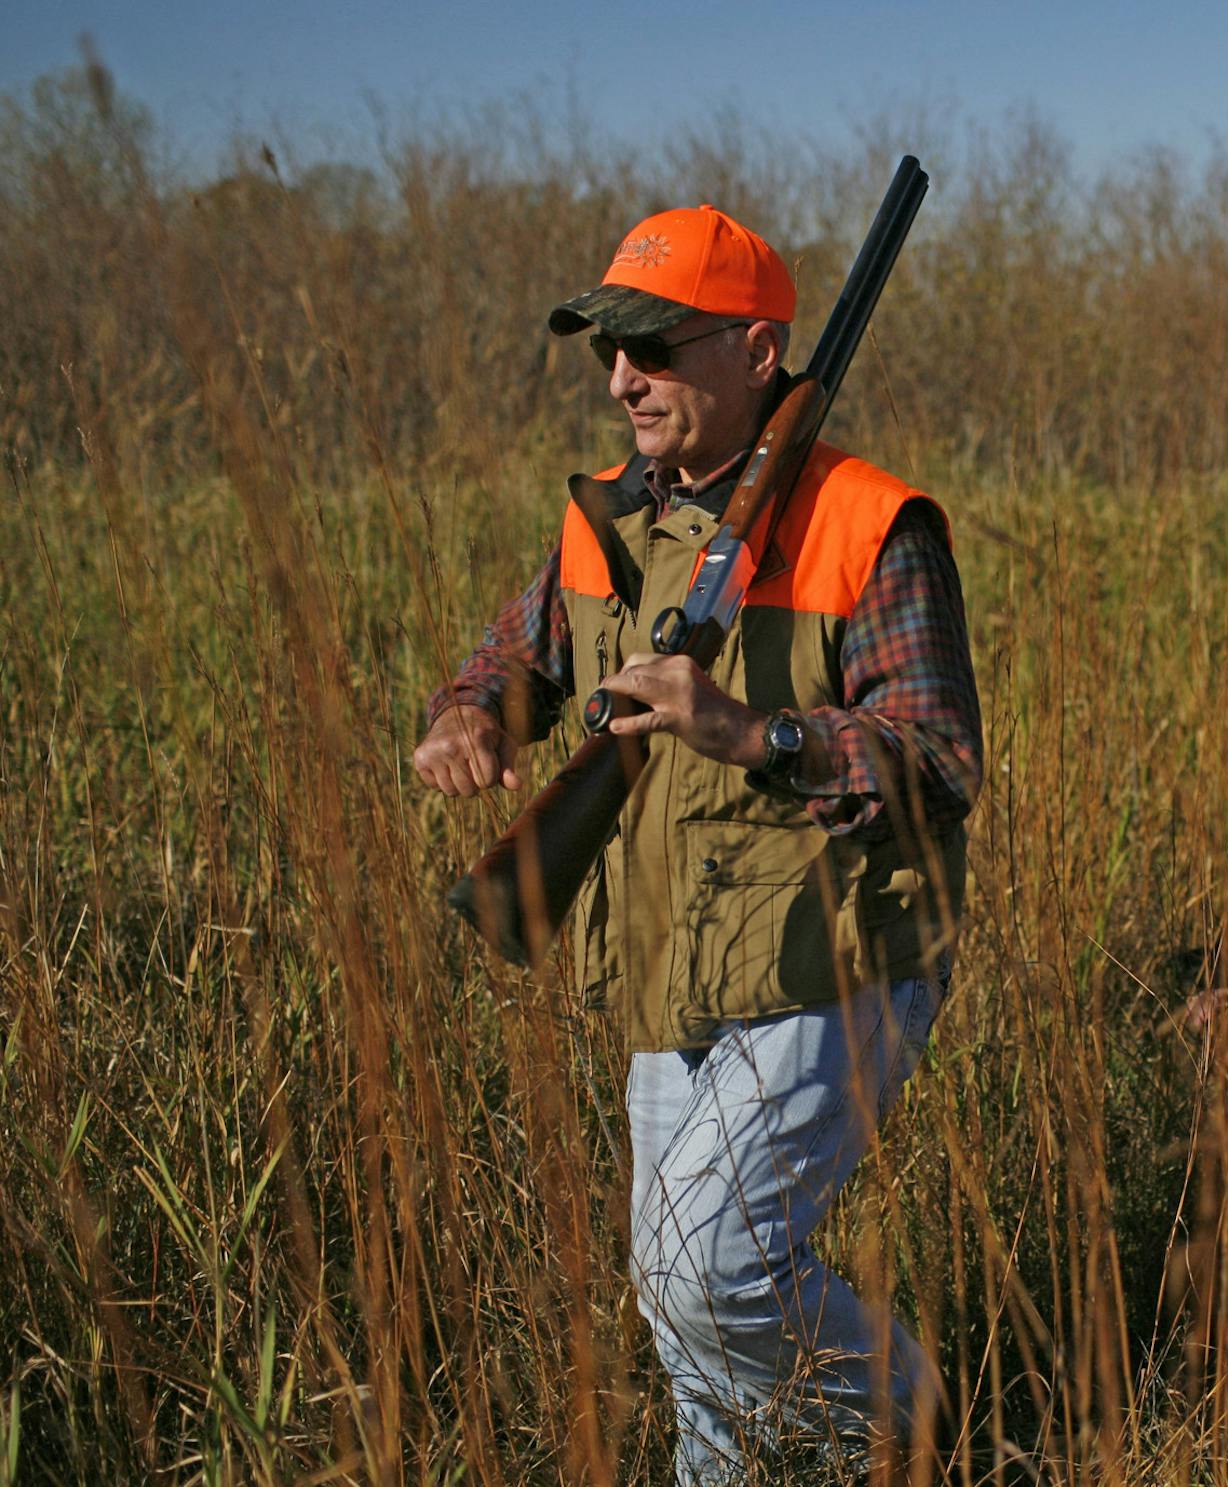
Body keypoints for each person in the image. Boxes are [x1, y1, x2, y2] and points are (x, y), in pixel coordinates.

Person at [412, 204, 980, 1481]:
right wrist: (469, 714)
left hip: (831, 956)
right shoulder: (607, 518)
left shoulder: (868, 522)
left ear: (759, 351)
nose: (623, 378)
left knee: (703, 1263)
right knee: (683, 1315)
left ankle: (914, 1422)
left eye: (656, 348)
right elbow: (520, 654)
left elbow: (940, 761)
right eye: (610, 349)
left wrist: (753, 732)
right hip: (669, 957)